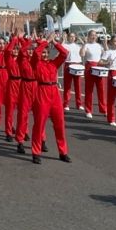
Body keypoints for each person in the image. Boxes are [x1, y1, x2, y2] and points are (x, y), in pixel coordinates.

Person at [26, 33, 72, 164]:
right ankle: (36, 152)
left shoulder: (53, 64)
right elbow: (36, 53)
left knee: (59, 124)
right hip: (41, 93)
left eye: (47, 53)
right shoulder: (36, 63)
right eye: (43, 53)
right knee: (39, 124)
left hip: (54, 94)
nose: (44, 54)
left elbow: (64, 54)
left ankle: (63, 152)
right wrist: (45, 42)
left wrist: (55, 43)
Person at [80, 31, 105, 119]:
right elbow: (82, 54)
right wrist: (84, 44)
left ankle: (103, 109)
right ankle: (88, 110)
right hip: (89, 66)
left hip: (99, 66)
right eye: (91, 35)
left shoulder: (99, 45)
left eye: (95, 35)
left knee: (101, 89)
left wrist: (105, 45)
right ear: (88, 36)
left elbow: (105, 55)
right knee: (89, 90)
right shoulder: (86, 45)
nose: (93, 37)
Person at [60, 32, 83, 111]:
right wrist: (63, 39)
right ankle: (66, 104)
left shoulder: (78, 46)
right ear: (68, 37)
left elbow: (83, 53)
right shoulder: (65, 45)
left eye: (73, 36)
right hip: (68, 65)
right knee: (67, 86)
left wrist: (83, 41)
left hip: (77, 65)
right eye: (71, 36)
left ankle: (79, 104)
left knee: (78, 86)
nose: (72, 38)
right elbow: (60, 48)